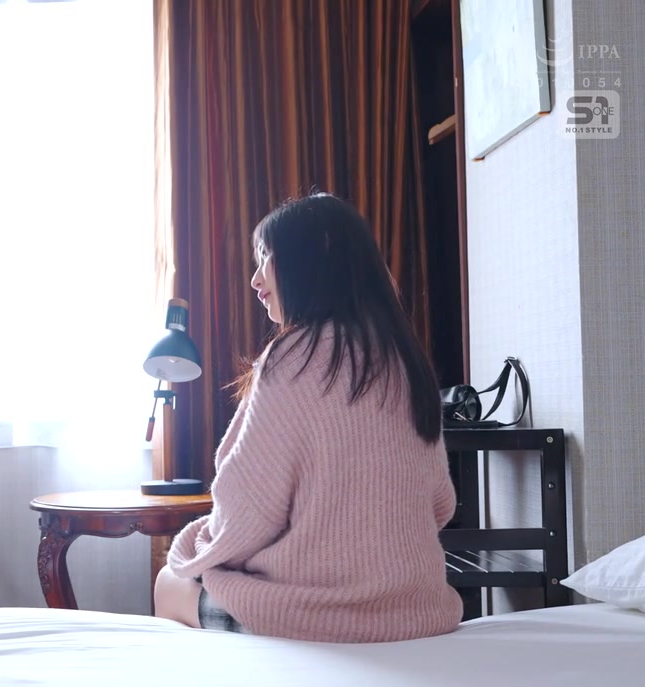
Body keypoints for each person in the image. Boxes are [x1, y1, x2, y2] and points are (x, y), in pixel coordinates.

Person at [152, 192, 463, 643]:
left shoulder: (292, 357)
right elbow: (440, 504)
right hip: (416, 610)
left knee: (169, 582)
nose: (255, 280)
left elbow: (246, 515)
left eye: (266, 258)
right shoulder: (405, 360)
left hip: (314, 617)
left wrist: (200, 547)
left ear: (308, 263)